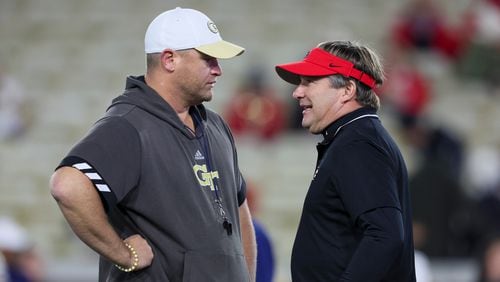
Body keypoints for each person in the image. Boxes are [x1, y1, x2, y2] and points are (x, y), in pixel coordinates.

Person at [49, 7, 256, 282]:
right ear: (169, 59)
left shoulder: (215, 126)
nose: (218, 69)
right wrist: (123, 254)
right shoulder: (129, 124)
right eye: (208, 58)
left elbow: (239, 211)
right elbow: (67, 185)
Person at [275, 41, 416, 281]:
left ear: (347, 90)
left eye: (310, 81)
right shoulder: (355, 137)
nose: (297, 92)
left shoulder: (358, 143)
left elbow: (385, 235)